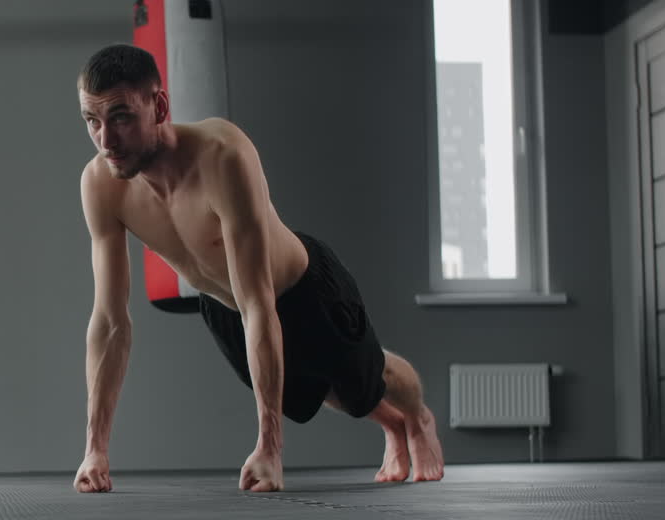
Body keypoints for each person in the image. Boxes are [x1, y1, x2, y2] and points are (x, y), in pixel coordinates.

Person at [72, 44, 445, 494]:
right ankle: (392, 426)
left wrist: (269, 448)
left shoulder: (222, 154)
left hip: (303, 290)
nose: (105, 140)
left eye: (121, 117)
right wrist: (95, 449)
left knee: (370, 377)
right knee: (331, 396)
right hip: (225, 308)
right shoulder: (101, 185)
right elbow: (110, 322)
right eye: (92, 121)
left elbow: (258, 300)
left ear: (160, 106)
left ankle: (419, 419)